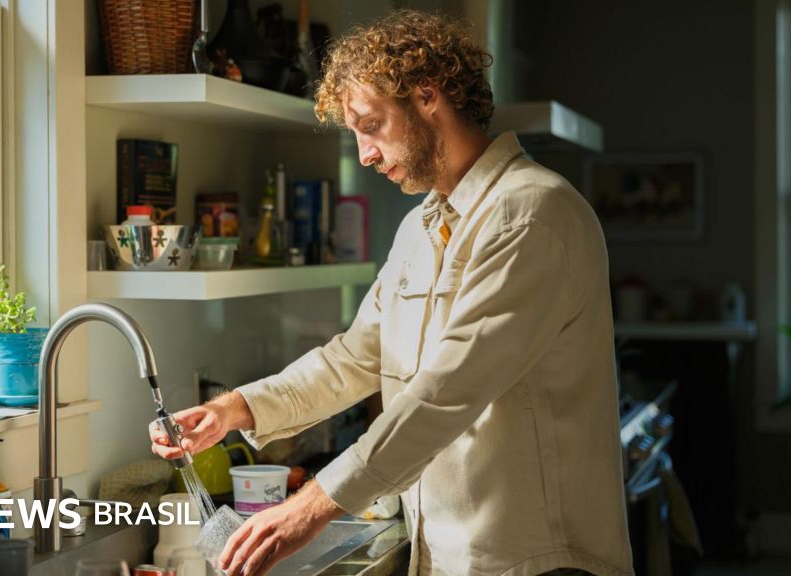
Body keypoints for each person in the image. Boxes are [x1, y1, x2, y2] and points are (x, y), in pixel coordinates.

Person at [151, 10, 633, 576]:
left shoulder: (529, 214)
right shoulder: (421, 228)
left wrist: (312, 505)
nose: (365, 155)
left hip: (536, 560)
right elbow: (353, 357)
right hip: (452, 555)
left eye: (371, 125)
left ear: (428, 95)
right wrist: (234, 409)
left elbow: (447, 391)